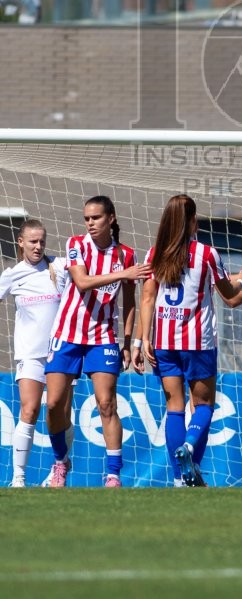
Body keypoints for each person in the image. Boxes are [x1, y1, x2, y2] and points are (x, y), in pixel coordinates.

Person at [133, 194, 242, 487]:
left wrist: (142, 340)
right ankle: (189, 449)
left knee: (174, 406)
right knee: (203, 405)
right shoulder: (207, 254)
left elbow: (148, 298)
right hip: (197, 342)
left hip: (163, 341)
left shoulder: (155, 253)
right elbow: (230, 297)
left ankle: (181, 478)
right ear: (190, 221)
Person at [44, 195, 151, 487]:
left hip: (103, 337)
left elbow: (130, 300)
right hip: (66, 334)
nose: (90, 223)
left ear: (111, 219)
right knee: (53, 404)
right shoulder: (76, 244)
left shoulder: (126, 255)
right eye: (87, 218)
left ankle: (114, 475)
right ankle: (60, 462)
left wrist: (127, 342)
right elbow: (82, 282)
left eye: (96, 218)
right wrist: (123, 273)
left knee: (106, 403)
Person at [0, 220, 69, 487]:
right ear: (20, 242)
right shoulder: (12, 274)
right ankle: (18, 478)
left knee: (60, 415)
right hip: (29, 354)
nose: (38, 246)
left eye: (42, 241)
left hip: (61, 354)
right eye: (32, 242)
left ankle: (60, 464)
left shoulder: (59, 267)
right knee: (28, 410)